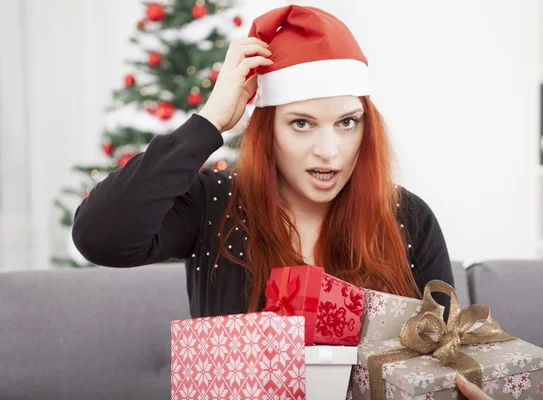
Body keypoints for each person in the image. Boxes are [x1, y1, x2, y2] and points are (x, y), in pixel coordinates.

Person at [73, 3, 459, 388]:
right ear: (268, 129)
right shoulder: (214, 203)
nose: (329, 150)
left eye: (346, 122)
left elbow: (443, 362)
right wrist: (209, 123)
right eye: (301, 123)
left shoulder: (406, 215)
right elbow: (100, 237)